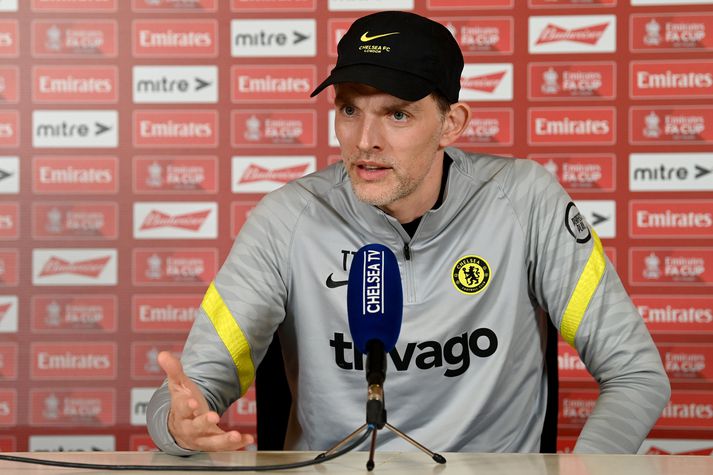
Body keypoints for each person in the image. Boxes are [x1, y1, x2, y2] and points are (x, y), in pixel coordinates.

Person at [147, 10, 670, 455]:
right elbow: (188, 393)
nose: (365, 141)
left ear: (451, 123)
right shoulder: (285, 218)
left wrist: (588, 469)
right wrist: (177, 425)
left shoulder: (526, 200)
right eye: (350, 110)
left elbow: (637, 375)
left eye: (397, 114)